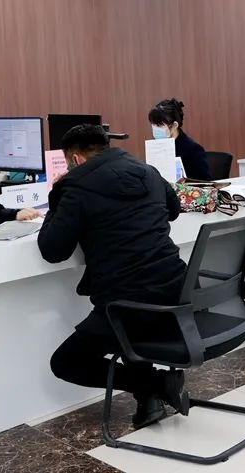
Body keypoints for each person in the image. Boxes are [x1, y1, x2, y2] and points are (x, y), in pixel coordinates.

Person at [38, 124, 188, 430]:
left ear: (76, 159)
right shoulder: (145, 170)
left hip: (126, 306)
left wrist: (56, 197)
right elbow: (173, 210)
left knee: (65, 362)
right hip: (177, 294)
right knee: (128, 328)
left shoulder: (76, 186)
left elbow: (52, 250)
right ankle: (150, 397)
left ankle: (156, 384)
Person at [148, 98, 212, 181]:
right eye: (153, 125)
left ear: (175, 125)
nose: (155, 129)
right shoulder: (156, 148)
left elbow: (204, 181)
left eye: (160, 125)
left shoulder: (193, 149)